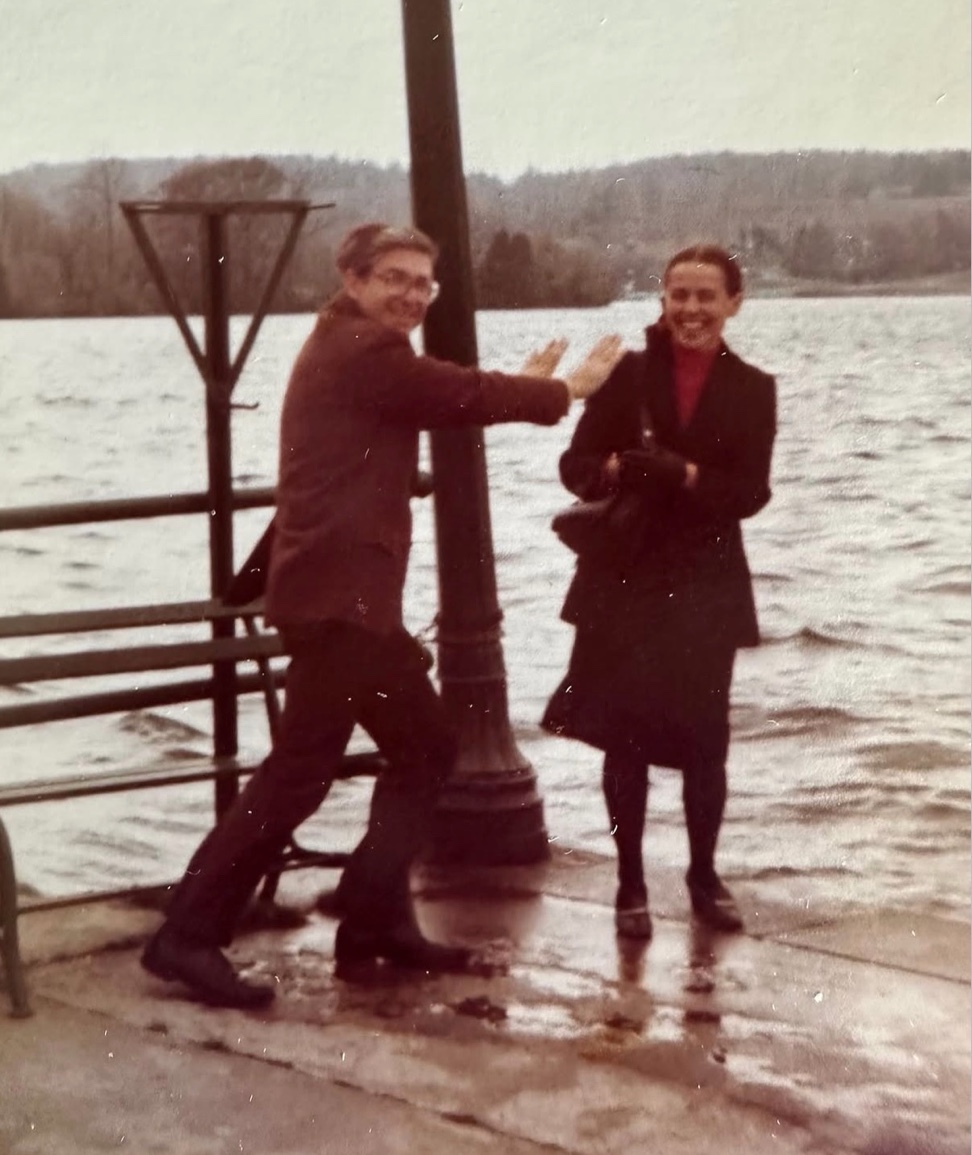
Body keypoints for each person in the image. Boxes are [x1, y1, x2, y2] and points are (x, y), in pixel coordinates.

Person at [141, 221, 623, 1007]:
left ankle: (371, 921)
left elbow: (428, 398)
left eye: (422, 283)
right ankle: (189, 936)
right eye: (393, 277)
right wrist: (562, 391)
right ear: (353, 278)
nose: (410, 294)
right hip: (340, 604)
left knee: (425, 747)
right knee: (306, 772)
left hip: (341, 601)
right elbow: (453, 392)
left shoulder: (351, 347)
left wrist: (510, 384)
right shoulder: (363, 350)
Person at [542, 244, 777, 940]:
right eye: (680, 295)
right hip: (624, 581)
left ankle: (704, 876)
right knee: (626, 741)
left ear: (735, 302)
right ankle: (629, 883)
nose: (692, 310)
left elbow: (752, 492)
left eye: (707, 296)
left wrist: (687, 475)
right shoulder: (627, 375)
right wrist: (616, 466)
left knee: (707, 743)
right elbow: (574, 466)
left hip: (706, 586)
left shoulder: (754, 387)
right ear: (662, 298)